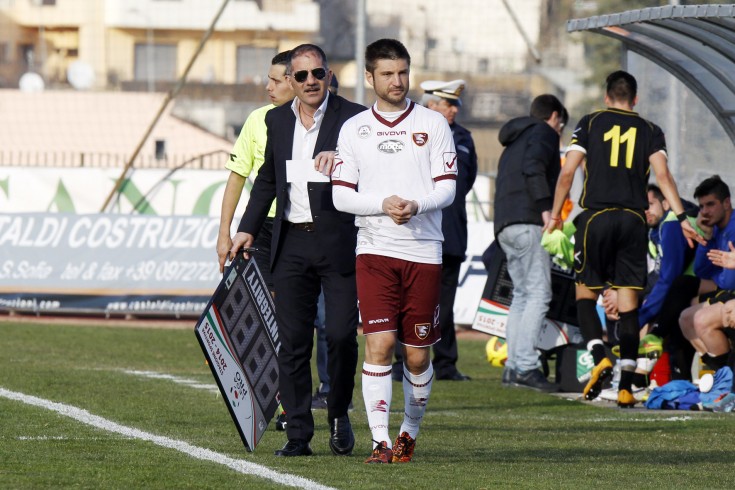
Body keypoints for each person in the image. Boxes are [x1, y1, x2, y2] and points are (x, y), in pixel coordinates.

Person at [230, 44, 365, 457]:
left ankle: (339, 412)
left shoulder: (354, 118)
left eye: (317, 74)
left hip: (340, 241)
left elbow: (373, 169)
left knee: (341, 336)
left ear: (328, 76)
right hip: (291, 242)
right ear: (291, 79)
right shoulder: (275, 120)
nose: (310, 82)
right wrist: (245, 229)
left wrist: (340, 158)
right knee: (292, 341)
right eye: (301, 75)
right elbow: (267, 180)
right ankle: (298, 434)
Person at [332, 38, 456, 464]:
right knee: (379, 345)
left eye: (403, 72)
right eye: (387, 73)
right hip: (374, 251)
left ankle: (409, 431)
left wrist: (417, 204)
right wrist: (383, 206)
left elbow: (448, 187)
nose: (397, 81)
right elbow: (342, 198)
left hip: (424, 251)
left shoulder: (433, 123)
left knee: (418, 356)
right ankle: (380, 441)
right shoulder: (353, 130)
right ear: (370, 77)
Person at [546, 70, 702, 408]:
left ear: (606, 97)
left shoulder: (590, 122)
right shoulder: (650, 130)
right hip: (633, 221)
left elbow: (568, 172)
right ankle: (626, 387)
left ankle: (600, 354)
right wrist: (680, 216)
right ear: (635, 99)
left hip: (596, 217)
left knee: (585, 295)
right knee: (629, 307)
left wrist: (556, 214)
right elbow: (663, 175)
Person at [391, 79, 478, 382]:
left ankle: (446, 364)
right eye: (447, 104)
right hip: (416, 231)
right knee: (408, 300)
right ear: (431, 105)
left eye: (454, 105)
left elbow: (463, 184)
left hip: (450, 232)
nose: (452, 110)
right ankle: (402, 361)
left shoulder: (464, 137)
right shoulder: (411, 133)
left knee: (446, 303)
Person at [493, 94, 567, 393]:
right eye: (560, 124)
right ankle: (525, 365)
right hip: (528, 220)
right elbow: (535, 168)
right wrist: (547, 208)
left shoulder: (515, 139)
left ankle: (513, 367)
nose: (559, 131)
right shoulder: (543, 133)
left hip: (505, 224)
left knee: (522, 296)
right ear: (553, 117)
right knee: (538, 294)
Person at [216, 50, 294, 285]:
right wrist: (224, 233)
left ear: (294, 82)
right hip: (260, 225)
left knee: (296, 307)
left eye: (276, 81)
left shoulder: (316, 122)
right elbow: (237, 176)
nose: (268, 87)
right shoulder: (256, 119)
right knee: (262, 302)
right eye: (268, 79)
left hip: (298, 227)